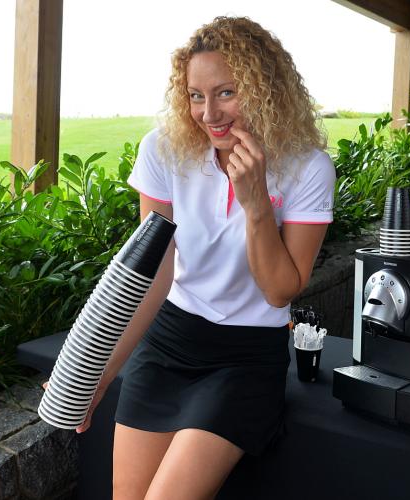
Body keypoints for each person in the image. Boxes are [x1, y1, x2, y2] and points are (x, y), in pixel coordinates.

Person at [78, 16, 335, 500]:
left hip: (246, 358)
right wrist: (102, 373)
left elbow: (280, 290)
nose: (209, 113)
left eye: (226, 93)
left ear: (265, 91)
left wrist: (256, 203)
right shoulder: (164, 149)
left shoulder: (307, 166)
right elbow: (153, 275)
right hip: (169, 343)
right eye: (196, 95)